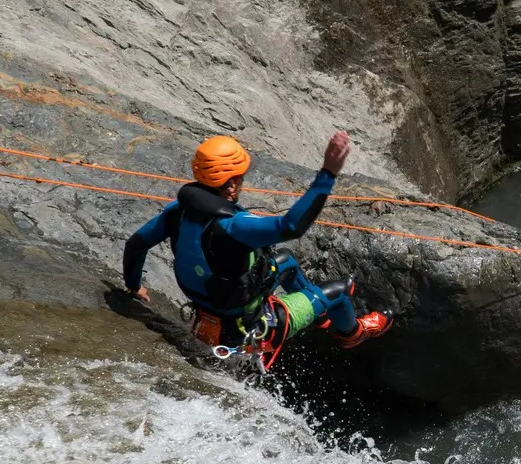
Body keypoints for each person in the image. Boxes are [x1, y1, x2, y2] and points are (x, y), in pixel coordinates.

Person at [121, 131, 391, 368]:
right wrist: (328, 174)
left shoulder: (176, 212)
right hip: (251, 330)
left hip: (208, 309)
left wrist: (134, 286)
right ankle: (353, 333)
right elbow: (291, 226)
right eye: (240, 178)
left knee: (285, 261)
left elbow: (136, 244)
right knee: (341, 291)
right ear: (231, 184)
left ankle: (319, 316)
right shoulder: (233, 227)